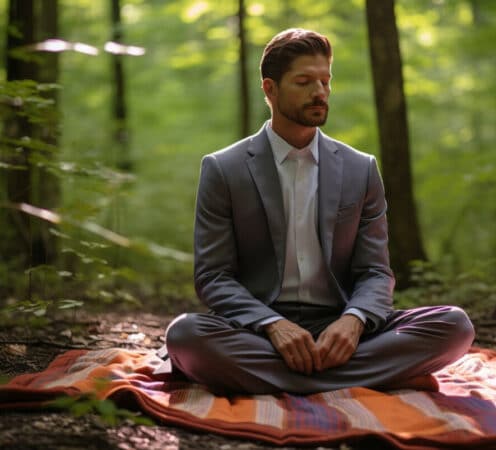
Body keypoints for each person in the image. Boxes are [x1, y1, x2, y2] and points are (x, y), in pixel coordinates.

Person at [156, 28, 474, 395]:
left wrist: (353, 321)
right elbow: (213, 277)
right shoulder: (223, 169)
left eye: (325, 81)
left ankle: (287, 380)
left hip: (341, 326)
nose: (319, 92)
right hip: (257, 329)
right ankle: (373, 376)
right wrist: (273, 324)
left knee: (455, 325)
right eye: (304, 82)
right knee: (185, 336)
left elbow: (374, 271)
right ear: (269, 89)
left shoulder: (361, 168)